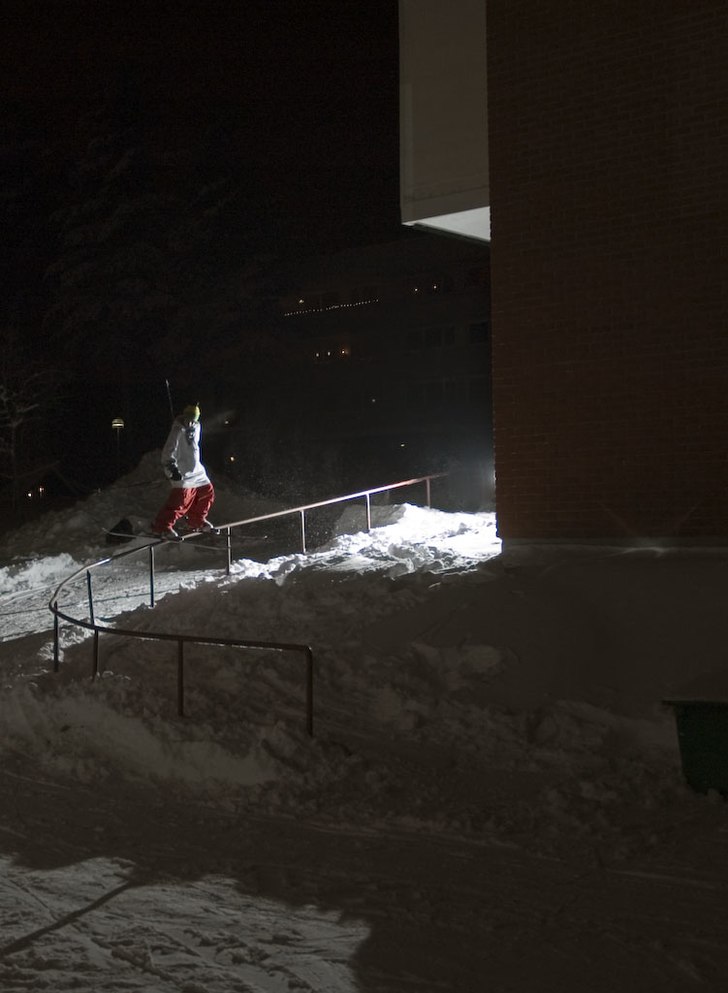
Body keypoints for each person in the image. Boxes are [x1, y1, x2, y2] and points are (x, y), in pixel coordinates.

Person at [151, 403, 215, 538]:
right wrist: (172, 468)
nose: (192, 422)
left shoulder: (196, 427)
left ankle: (196, 520)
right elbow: (168, 451)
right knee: (181, 501)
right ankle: (162, 526)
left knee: (207, 492)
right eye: (190, 418)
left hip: (196, 470)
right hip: (181, 472)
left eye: (195, 419)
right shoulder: (178, 430)